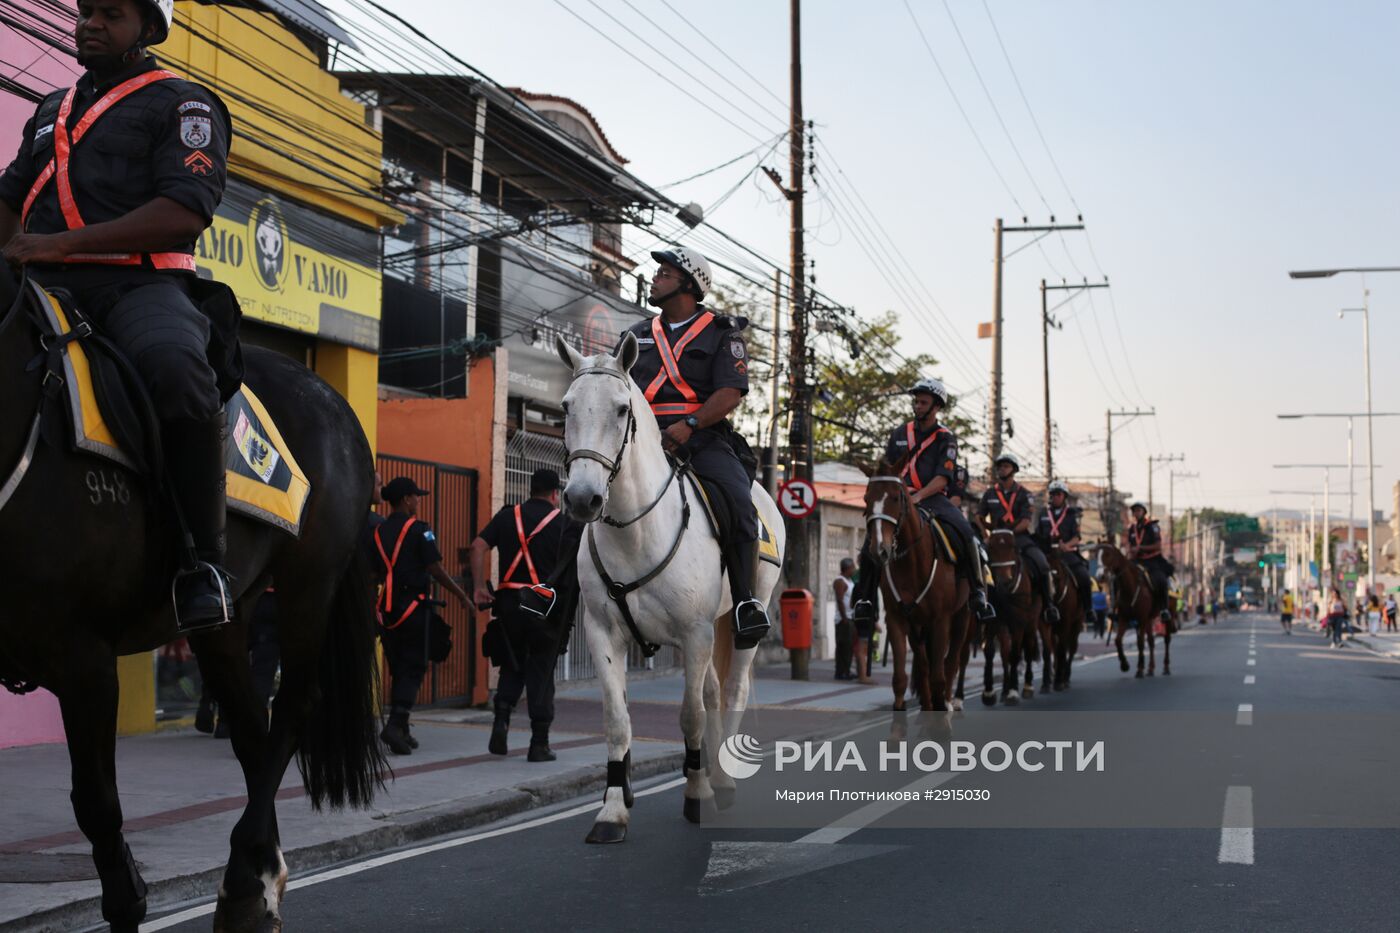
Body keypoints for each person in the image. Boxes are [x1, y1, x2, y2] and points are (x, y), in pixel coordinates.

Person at [0, 0, 234, 631]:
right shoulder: (51, 112)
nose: (88, 24)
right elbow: (8, 199)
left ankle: (202, 567)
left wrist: (56, 244)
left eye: (111, 14)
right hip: (46, 285)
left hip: (140, 286)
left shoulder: (184, 106)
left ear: (148, 30)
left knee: (179, 375)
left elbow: (183, 211)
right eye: (84, 12)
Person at [617, 246, 770, 648]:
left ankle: (745, 604)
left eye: (664, 273)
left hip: (702, 438)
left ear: (688, 283)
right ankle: (555, 593)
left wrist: (690, 423)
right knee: (589, 490)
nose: (655, 278)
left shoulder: (722, 333)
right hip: (642, 440)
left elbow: (730, 393)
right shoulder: (634, 335)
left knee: (739, 503)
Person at [851, 378, 996, 627]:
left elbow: (942, 478)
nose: (917, 406)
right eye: (916, 401)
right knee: (872, 540)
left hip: (932, 498)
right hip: (899, 499)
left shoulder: (945, 439)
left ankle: (977, 593)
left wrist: (917, 496)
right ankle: (865, 600)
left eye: (923, 402)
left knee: (966, 533)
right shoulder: (899, 434)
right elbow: (887, 469)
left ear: (936, 406)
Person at [470, 468, 571, 762]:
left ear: (530, 489)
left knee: (512, 665)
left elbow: (478, 547)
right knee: (540, 670)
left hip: (509, 603)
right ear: (556, 494)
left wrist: (478, 587)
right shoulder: (563, 524)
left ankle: (500, 722)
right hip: (543, 607)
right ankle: (539, 743)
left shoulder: (507, 516)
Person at [370, 476, 470, 755]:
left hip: (387, 611)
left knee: (398, 667)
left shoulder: (376, 532)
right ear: (406, 500)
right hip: (414, 607)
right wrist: (462, 596)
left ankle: (401, 728)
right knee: (413, 667)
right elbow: (436, 569)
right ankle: (394, 725)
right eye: (416, 496)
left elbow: (372, 572)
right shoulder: (419, 530)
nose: (419, 500)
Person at [978, 454, 1059, 622]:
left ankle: (1049, 605)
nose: (1002, 469)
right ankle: (979, 603)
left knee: (1042, 563)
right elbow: (979, 516)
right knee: (975, 560)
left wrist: (1010, 534)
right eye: (1000, 466)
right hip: (995, 539)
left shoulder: (1025, 494)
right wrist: (986, 535)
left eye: (1006, 466)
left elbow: (1025, 521)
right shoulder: (990, 493)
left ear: (1014, 470)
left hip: (1018, 536)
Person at [1034, 480, 1094, 631]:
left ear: (1064, 496)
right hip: (1048, 554)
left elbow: (1077, 537)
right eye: (1053, 494)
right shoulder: (1042, 514)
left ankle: (1088, 609)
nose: (1055, 497)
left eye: (1058, 494)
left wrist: (1067, 546)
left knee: (1084, 577)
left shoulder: (1072, 514)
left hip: (1067, 553)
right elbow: (1038, 534)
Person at [1124, 502, 1174, 625]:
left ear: (1144, 512)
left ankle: (1163, 609)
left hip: (1153, 560)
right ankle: (1117, 608)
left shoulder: (1152, 526)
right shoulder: (1132, 529)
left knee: (1161, 580)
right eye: (1134, 511)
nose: (1136, 513)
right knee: (1120, 576)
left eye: (1139, 510)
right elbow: (1130, 545)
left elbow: (1157, 546)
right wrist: (1130, 551)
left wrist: (1141, 548)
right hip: (1137, 560)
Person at [833, 558, 855, 680]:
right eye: (853, 567)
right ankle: (842, 672)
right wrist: (844, 617)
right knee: (844, 646)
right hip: (843, 619)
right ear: (847, 568)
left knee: (849, 646)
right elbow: (840, 600)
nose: (854, 570)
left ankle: (845, 670)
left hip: (850, 616)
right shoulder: (840, 581)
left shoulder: (849, 580)